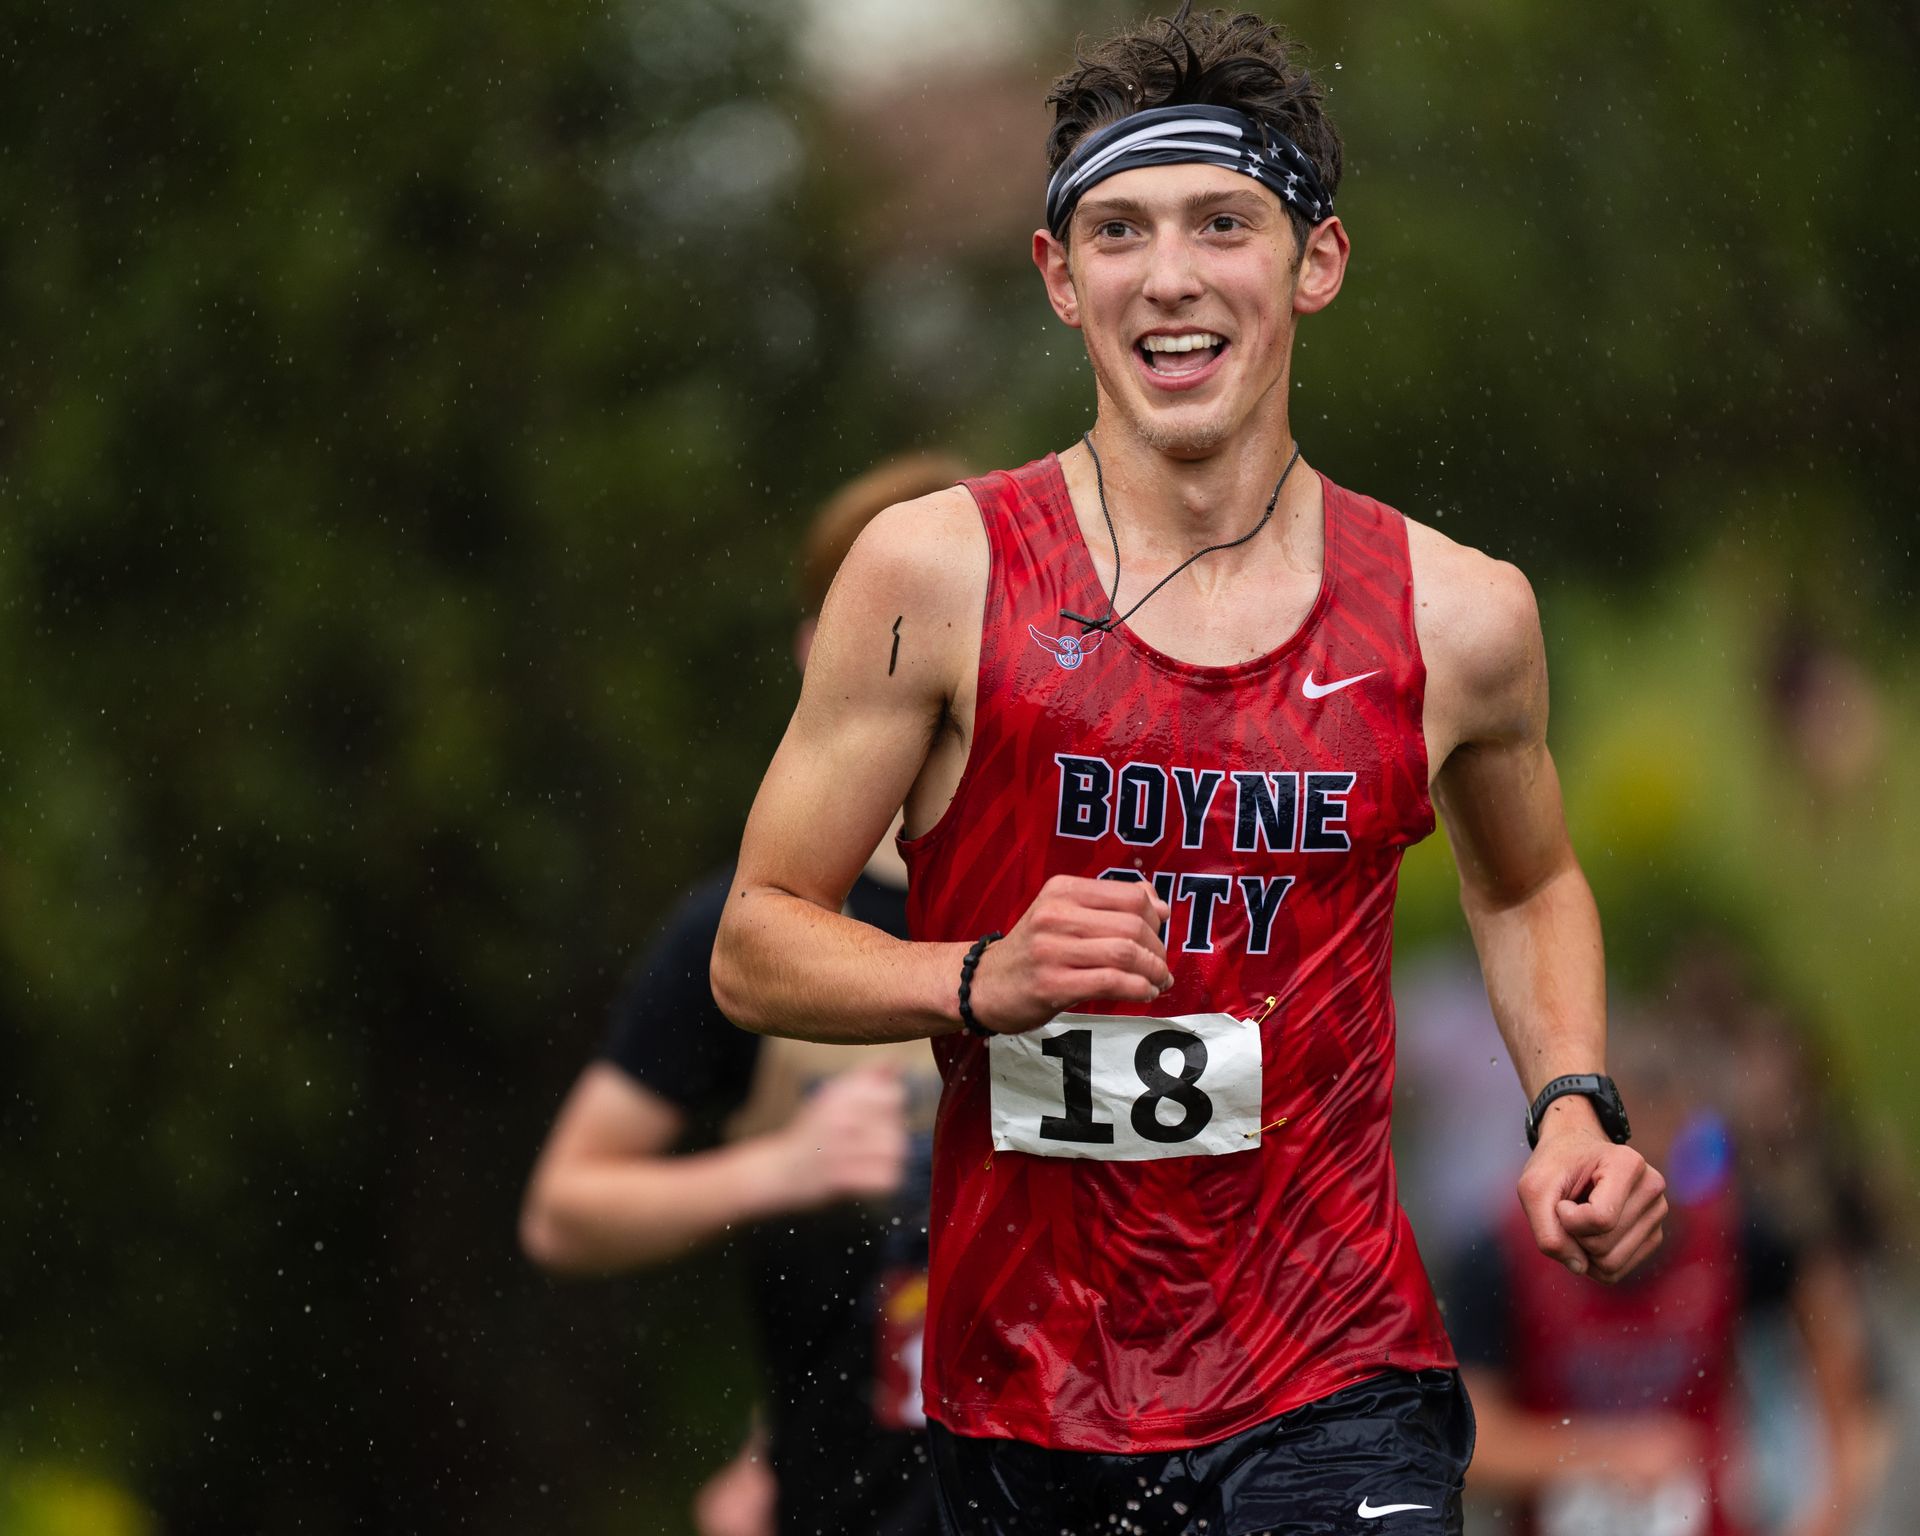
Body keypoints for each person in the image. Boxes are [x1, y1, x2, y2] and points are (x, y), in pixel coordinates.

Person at [710, 8, 1669, 1533]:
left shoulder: (1463, 618)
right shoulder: (935, 576)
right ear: (1057, 277)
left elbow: (1530, 879)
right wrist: (979, 976)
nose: (1170, 277)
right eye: (1118, 231)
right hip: (1026, 1395)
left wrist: (1572, 1102)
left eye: (1225, 223)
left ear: (1316, 262)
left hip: (1338, 1382)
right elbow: (756, 942)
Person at [520, 453, 965, 1536]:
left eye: (962, 612)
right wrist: (783, 1168)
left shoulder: (1106, 898)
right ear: (819, 651)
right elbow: (565, 1212)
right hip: (846, 1501)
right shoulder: (751, 933)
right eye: (885, 614)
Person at [1447, 1008, 1886, 1536]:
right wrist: (1604, 1456)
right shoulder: (1501, 1253)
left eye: (1665, 1146)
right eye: (1626, 1148)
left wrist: (1829, 1511)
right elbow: (1470, 1448)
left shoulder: (1739, 1233)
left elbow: (1845, 1368)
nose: (1643, 1175)